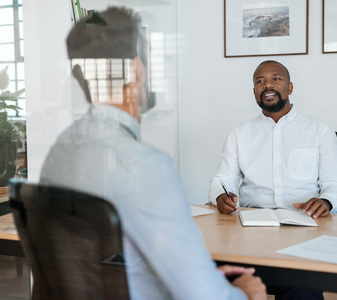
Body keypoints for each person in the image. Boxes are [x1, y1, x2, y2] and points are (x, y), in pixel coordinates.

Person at [40, 7, 266, 300]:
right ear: (136, 70)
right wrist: (243, 294)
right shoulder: (146, 167)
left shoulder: (59, 152)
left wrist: (200, 278)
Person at [208, 60, 337, 220]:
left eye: (276, 79)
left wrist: (326, 202)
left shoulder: (320, 130)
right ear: (254, 93)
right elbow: (222, 180)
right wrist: (220, 196)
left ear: (290, 88)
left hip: (307, 218)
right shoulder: (239, 134)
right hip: (253, 219)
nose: (267, 85)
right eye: (260, 81)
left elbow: (336, 183)